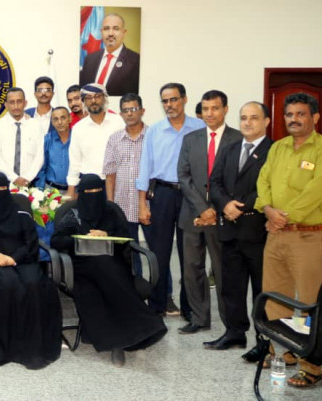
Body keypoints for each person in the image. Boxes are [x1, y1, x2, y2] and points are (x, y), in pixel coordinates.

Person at [254, 93, 322, 389]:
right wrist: (268, 209)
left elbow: (316, 192)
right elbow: (263, 180)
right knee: (275, 297)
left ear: (315, 117)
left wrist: (281, 217)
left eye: (300, 114)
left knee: (311, 301)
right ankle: (284, 350)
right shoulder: (279, 148)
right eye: (289, 114)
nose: (294, 119)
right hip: (277, 236)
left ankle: (312, 365)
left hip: (309, 236)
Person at [50, 174, 167, 366]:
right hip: (82, 266)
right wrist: (81, 238)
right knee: (101, 270)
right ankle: (145, 324)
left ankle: (117, 344)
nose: (94, 196)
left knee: (104, 267)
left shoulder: (111, 212)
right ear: (81, 194)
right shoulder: (73, 215)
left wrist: (106, 234)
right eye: (89, 192)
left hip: (112, 263)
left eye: (98, 191)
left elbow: (124, 239)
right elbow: (56, 241)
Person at [0, 172, 62, 369]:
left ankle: (34, 347)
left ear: (8, 190)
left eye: (2, 189)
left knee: (34, 283)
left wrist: (14, 258)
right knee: (8, 284)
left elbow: (31, 242)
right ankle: (5, 348)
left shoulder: (21, 213)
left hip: (22, 260)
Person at [206, 101, 272, 356]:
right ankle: (235, 333)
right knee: (231, 286)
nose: (247, 122)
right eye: (244, 117)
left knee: (260, 289)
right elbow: (214, 182)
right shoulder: (230, 148)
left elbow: (270, 188)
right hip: (229, 228)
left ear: (266, 121)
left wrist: (240, 207)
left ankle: (263, 341)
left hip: (257, 230)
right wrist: (225, 204)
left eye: (254, 117)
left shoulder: (273, 151)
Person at [136, 83, 205, 317]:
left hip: (191, 196)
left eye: (173, 99)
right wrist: (142, 204)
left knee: (190, 254)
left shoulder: (199, 128)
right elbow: (145, 168)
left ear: (184, 99)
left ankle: (189, 308)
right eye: (165, 101)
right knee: (159, 253)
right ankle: (157, 306)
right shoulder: (154, 131)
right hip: (162, 194)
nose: (169, 105)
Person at [176, 90, 241, 334]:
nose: (210, 113)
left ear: (225, 109)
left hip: (223, 216)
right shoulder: (190, 139)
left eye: (215, 108)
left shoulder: (237, 139)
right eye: (205, 109)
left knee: (223, 270)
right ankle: (199, 318)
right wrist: (202, 209)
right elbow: (183, 176)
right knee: (192, 269)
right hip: (193, 214)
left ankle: (230, 323)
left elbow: (238, 180)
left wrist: (215, 209)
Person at [103, 93, 149, 276]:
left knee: (157, 251)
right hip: (123, 205)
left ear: (142, 111)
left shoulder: (153, 136)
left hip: (148, 205)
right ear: (121, 114)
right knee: (129, 252)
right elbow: (110, 174)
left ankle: (163, 291)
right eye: (125, 110)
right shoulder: (114, 139)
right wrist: (111, 205)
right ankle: (135, 287)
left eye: (133, 109)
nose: (129, 113)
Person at [66, 83, 124, 198]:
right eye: (88, 97)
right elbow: (75, 162)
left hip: (117, 183)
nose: (93, 101)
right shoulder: (78, 128)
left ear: (104, 98)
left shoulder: (118, 122)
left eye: (97, 96)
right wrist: (71, 189)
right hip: (89, 185)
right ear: (84, 101)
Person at [0, 88, 44, 187]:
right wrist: (14, 178)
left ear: (25, 103)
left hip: (30, 182)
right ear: (6, 105)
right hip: (5, 182)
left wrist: (27, 178)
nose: (16, 106)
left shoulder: (35, 125)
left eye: (19, 101)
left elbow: (40, 155)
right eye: (12, 102)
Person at [79, 13, 140, 96]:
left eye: (116, 29)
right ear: (101, 32)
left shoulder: (136, 61)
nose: (110, 33)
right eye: (106, 29)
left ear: (124, 33)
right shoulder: (90, 59)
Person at [36, 106, 71, 191]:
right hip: (51, 189)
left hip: (74, 190)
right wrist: (40, 189)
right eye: (55, 119)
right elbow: (42, 167)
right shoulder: (47, 139)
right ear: (52, 122)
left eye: (63, 118)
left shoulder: (77, 139)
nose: (60, 122)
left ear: (70, 119)